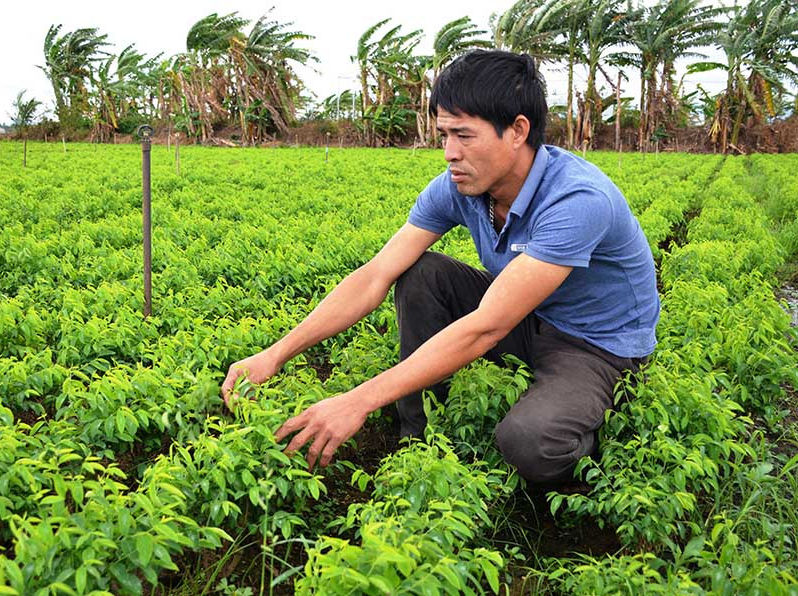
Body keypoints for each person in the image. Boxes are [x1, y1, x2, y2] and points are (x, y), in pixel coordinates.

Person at [221, 49, 659, 485]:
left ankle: (587, 433)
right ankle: (418, 442)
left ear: (517, 131)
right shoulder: (460, 186)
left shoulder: (577, 200)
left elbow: (487, 325)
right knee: (419, 273)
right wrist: (273, 354)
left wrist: (357, 400)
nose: (449, 152)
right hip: (526, 318)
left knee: (529, 441)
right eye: (443, 134)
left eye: (464, 135)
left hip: (594, 346)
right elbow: (375, 275)